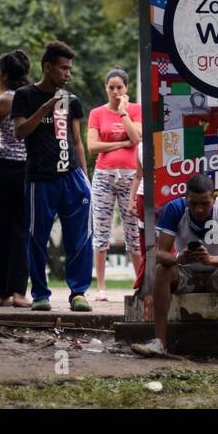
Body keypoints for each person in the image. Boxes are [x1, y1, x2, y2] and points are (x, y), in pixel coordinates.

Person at [130, 174, 218, 364]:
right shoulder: (175, 208)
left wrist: (211, 260)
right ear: (186, 198)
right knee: (162, 270)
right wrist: (178, 257)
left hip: (216, 271)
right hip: (186, 272)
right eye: (193, 203)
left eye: (204, 203)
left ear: (214, 198)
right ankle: (159, 342)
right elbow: (159, 254)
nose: (198, 209)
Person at [12, 41, 93, 312]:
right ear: (47, 67)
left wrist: (85, 178)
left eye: (69, 68)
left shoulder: (71, 100)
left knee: (79, 237)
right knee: (37, 238)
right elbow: (20, 132)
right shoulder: (24, 95)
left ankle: (79, 293)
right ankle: (40, 295)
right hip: (40, 178)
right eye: (62, 68)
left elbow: (77, 140)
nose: (67, 73)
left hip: (72, 176)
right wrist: (46, 108)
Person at [87, 68, 143, 302]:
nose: (115, 91)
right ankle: (101, 287)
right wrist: (122, 144)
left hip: (132, 176)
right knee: (101, 231)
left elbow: (137, 138)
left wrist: (123, 112)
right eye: (111, 87)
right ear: (105, 88)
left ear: (127, 88)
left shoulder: (136, 110)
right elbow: (92, 146)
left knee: (133, 231)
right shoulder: (97, 113)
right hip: (104, 175)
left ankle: (141, 284)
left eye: (119, 87)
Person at [0, 50, 32, 307]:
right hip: (27, 172)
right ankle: (19, 293)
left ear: (3, 75)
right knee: (21, 232)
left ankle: (3, 294)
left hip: (1, 173)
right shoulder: (33, 100)